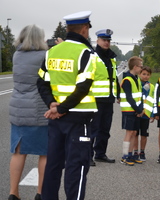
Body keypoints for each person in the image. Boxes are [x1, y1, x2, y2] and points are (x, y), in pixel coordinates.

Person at [37, 11, 97, 199]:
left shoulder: (51, 52)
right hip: (79, 119)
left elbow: (41, 82)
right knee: (76, 167)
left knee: (53, 165)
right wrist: (61, 109)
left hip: (55, 118)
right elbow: (83, 88)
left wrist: (52, 105)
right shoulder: (86, 54)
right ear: (85, 29)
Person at [8, 25, 49, 200]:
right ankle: (40, 193)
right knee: (45, 153)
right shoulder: (45, 56)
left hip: (18, 110)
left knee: (18, 152)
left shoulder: (17, 55)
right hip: (39, 110)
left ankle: (13, 193)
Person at [90, 29, 120, 166]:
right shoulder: (92, 56)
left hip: (108, 99)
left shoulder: (111, 58)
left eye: (108, 40)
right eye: (104, 40)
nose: (107, 43)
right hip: (95, 99)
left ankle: (100, 154)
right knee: (92, 129)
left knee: (105, 129)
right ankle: (88, 155)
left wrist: (118, 94)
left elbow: (113, 78)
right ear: (97, 41)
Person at [120, 56, 144, 166]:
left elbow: (140, 95)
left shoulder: (137, 79)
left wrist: (141, 109)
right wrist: (138, 109)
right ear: (135, 67)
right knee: (129, 133)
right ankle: (125, 156)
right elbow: (129, 97)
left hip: (136, 110)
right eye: (141, 66)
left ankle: (132, 154)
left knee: (135, 132)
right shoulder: (127, 80)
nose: (142, 68)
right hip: (129, 111)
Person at [133, 66, 155, 162]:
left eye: (148, 75)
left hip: (146, 114)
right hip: (137, 113)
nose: (146, 76)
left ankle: (142, 151)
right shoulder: (136, 84)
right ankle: (135, 151)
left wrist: (153, 114)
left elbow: (153, 101)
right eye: (144, 74)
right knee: (135, 133)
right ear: (139, 74)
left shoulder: (152, 86)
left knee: (144, 134)